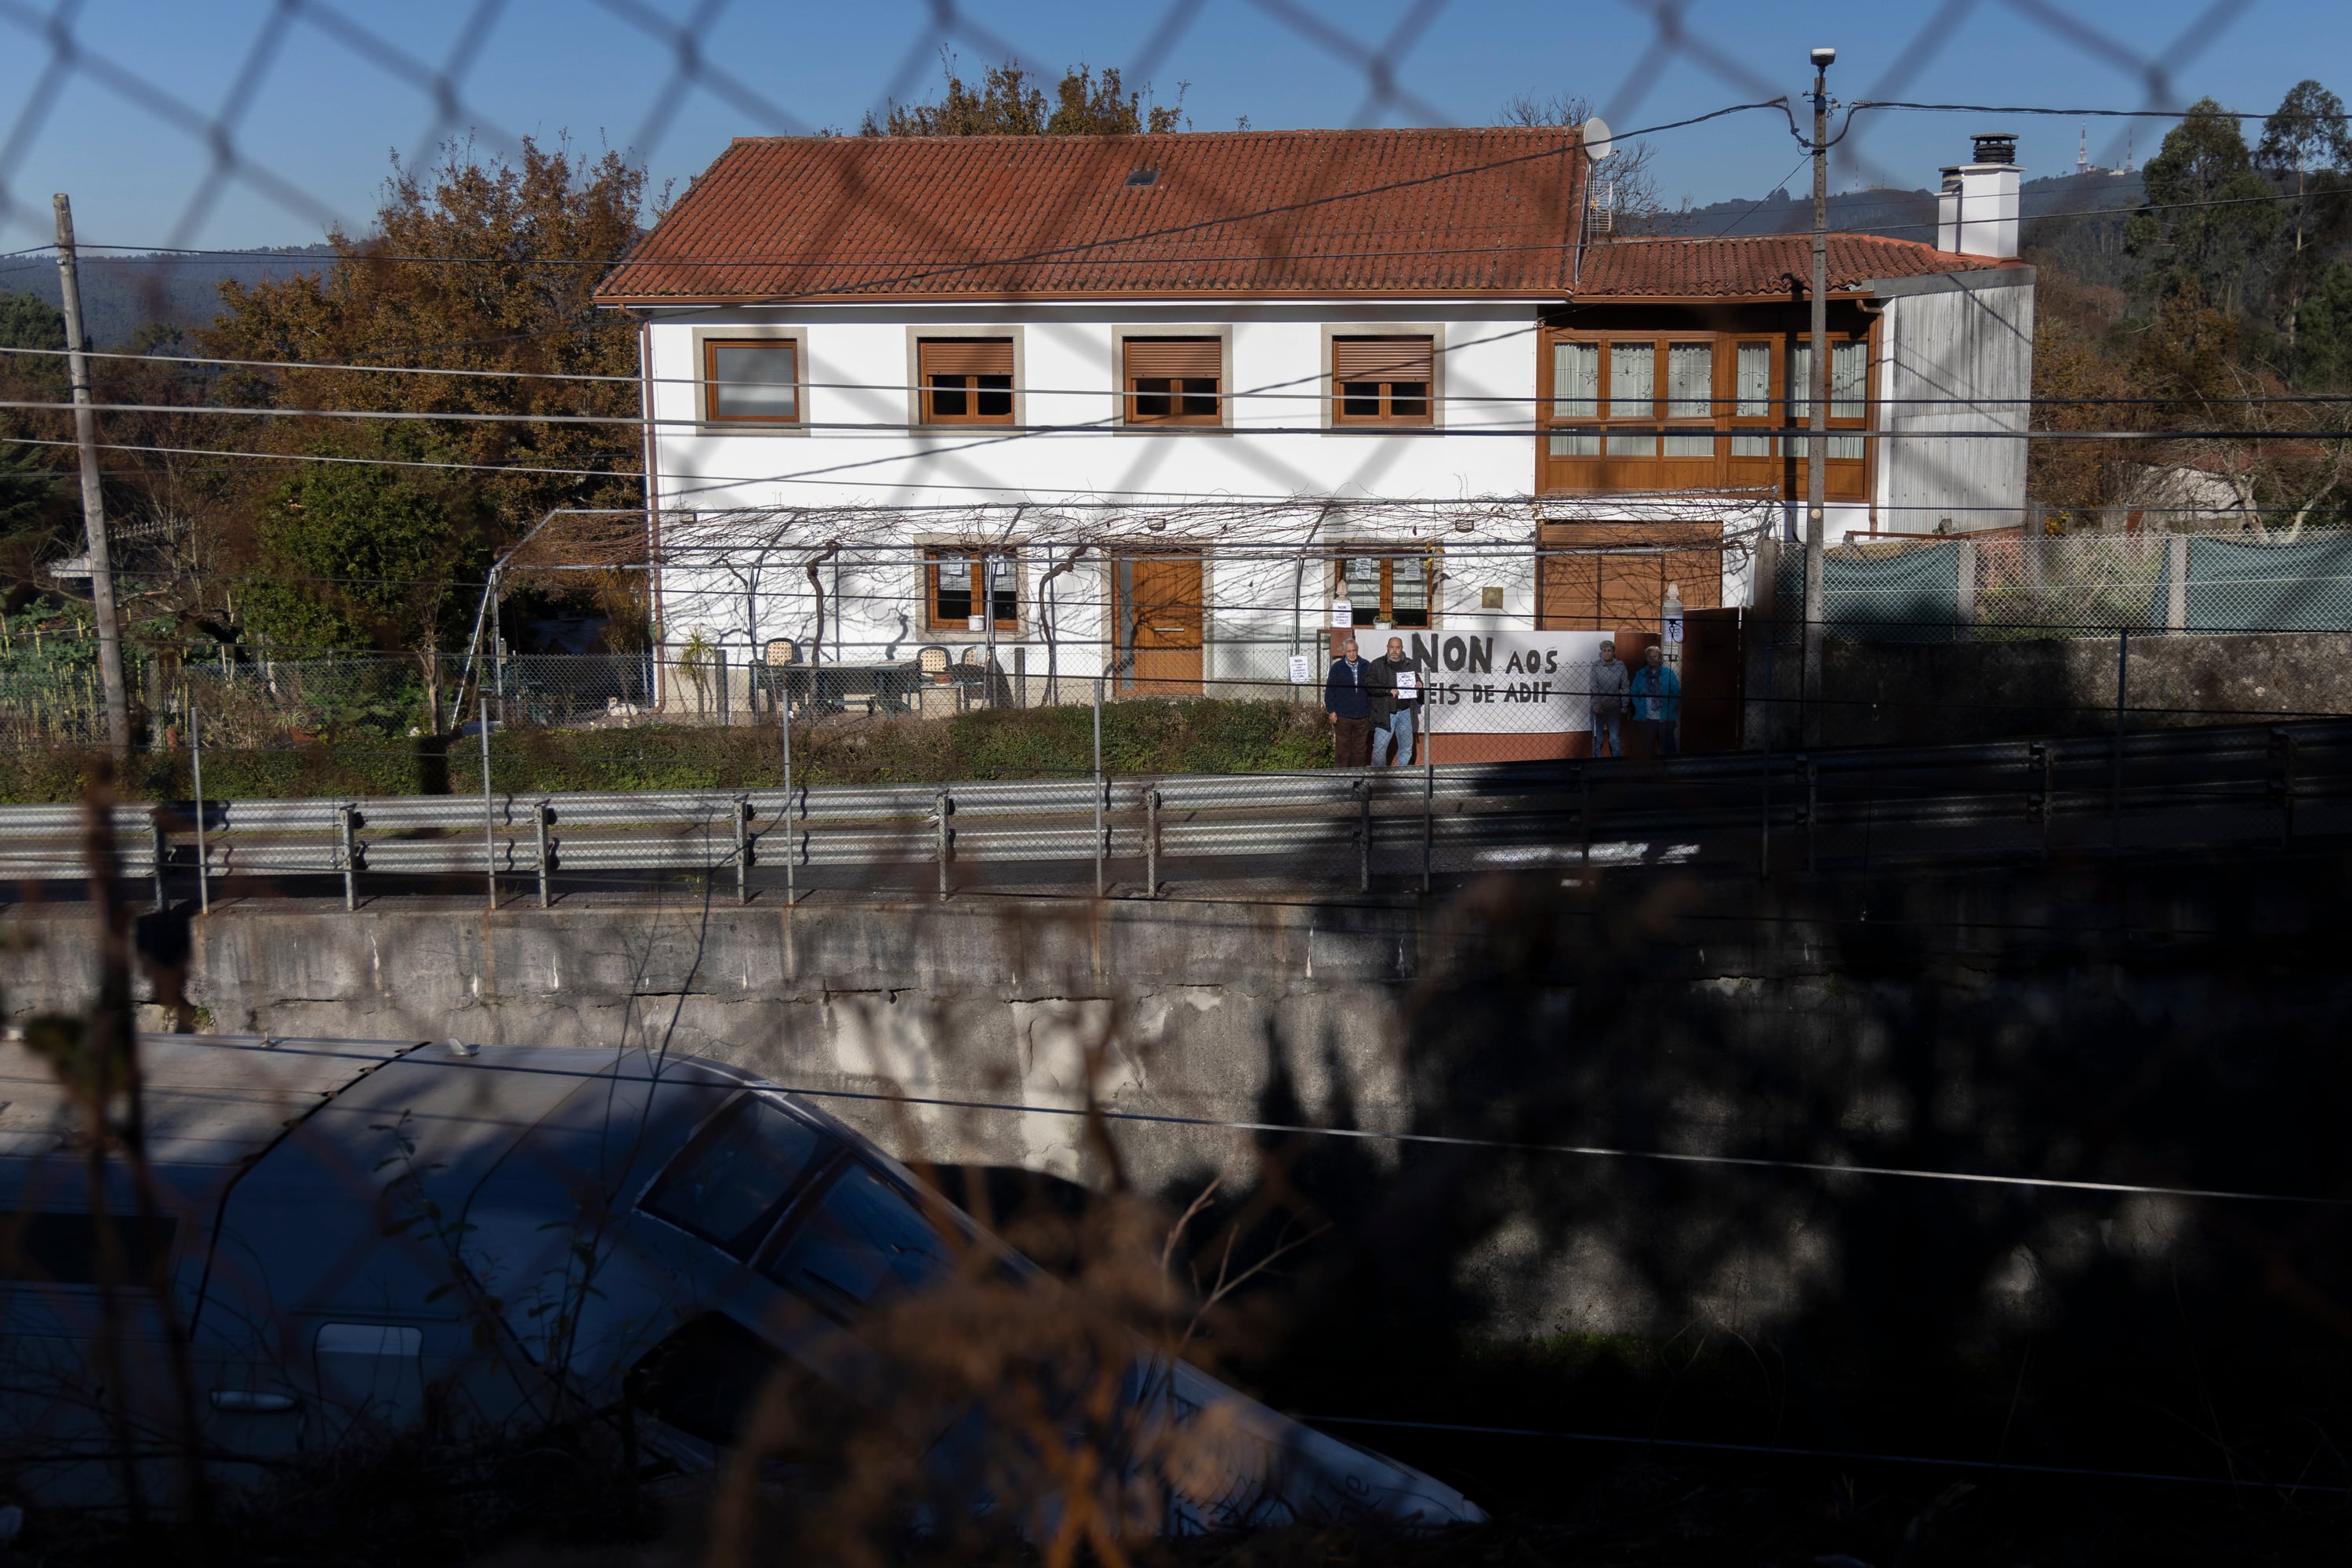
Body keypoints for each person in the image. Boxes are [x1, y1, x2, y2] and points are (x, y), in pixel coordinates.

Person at [1363, 635, 1421, 767]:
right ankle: (1380, 780)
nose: (1394, 651)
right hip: (1385, 713)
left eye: (1397, 648)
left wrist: (1419, 684)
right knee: (1379, 749)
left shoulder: (1409, 664)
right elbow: (1369, 685)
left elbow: (1416, 679)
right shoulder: (1377, 664)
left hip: (1405, 712)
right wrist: (1388, 691)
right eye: (1392, 647)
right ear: (1387, 648)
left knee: (1406, 748)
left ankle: (1401, 777)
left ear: (1402, 648)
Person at [1324, 633, 1372, 768]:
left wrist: (1370, 710)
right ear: (1344, 652)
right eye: (1349, 651)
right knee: (1343, 750)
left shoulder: (1366, 665)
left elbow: (1372, 689)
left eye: (1354, 651)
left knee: (1360, 750)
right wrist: (1331, 711)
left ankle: (1358, 779)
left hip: (1362, 716)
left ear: (1357, 651)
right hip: (1343, 716)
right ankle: (1341, 780)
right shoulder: (1337, 668)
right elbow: (1330, 691)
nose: (1352, 654)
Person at [1628, 644, 1682, 758]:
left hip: (1665, 717)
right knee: (1648, 748)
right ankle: (1650, 771)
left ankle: (1670, 771)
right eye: (1650, 657)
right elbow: (1633, 692)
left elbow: (1676, 692)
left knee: (1668, 747)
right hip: (1646, 717)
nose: (1653, 659)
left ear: (1660, 658)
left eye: (1655, 656)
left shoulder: (1668, 673)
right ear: (1646, 659)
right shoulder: (1640, 674)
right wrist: (1639, 707)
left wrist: (1670, 708)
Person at [1588, 638, 1628, 758]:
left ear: (1613, 652)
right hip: (1598, 708)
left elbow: (1625, 685)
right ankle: (1596, 764)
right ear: (1601, 652)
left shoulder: (1620, 666)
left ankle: (1617, 765)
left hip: (1614, 707)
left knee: (1614, 739)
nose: (1607, 653)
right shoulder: (1596, 666)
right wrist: (1596, 706)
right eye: (1604, 650)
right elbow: (1593, 687)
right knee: (1597, 738)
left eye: (1609, 650)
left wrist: (1625, 705)